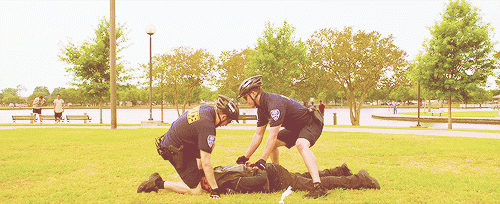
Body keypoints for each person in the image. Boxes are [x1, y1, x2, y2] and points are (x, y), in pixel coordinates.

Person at [234, 75, 327, 198]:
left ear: (253, 93)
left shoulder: (274, 104)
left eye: (245, 97)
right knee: (273, 145)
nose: (245, 101)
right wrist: (245, 157)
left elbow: (273, 135)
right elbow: (258, 134)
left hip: (311, 122)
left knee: (301, 144)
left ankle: (318, 186)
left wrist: (262, 160)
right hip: (296, 127)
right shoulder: (261, 108)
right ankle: (278, 176)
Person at [137, 95, 240, 199]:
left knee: (211, 144)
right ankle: (157, 182)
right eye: (229, 121)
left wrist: (202, 174)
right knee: (195, 190)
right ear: (223, 117)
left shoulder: (207, 110)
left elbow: (203, 149)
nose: (226, 124)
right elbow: (206, 162)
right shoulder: (207, 126)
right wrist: (215, 190)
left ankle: (200, 174)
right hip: (173, 150)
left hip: (180, 144)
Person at [138, 162, 380, 196]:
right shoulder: (220, 178)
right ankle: (342, 169)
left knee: (311, 183)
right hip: (273, 173)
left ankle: (360, 179)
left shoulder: (224, 180)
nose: (202, 185)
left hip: (274, 175)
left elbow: (257, 183)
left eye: (202, 181)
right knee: (306, 176)